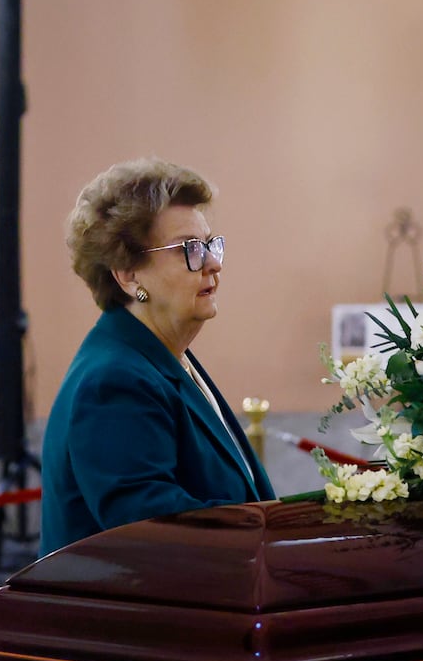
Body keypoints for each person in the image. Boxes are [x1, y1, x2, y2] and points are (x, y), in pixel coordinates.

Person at [38, 159, 276, 557]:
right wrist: (279, 527)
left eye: (210, 245)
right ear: (128, 274)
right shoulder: (113, 380)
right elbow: (151, 530)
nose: (213, 263)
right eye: (189, 249)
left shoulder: (166, 358)